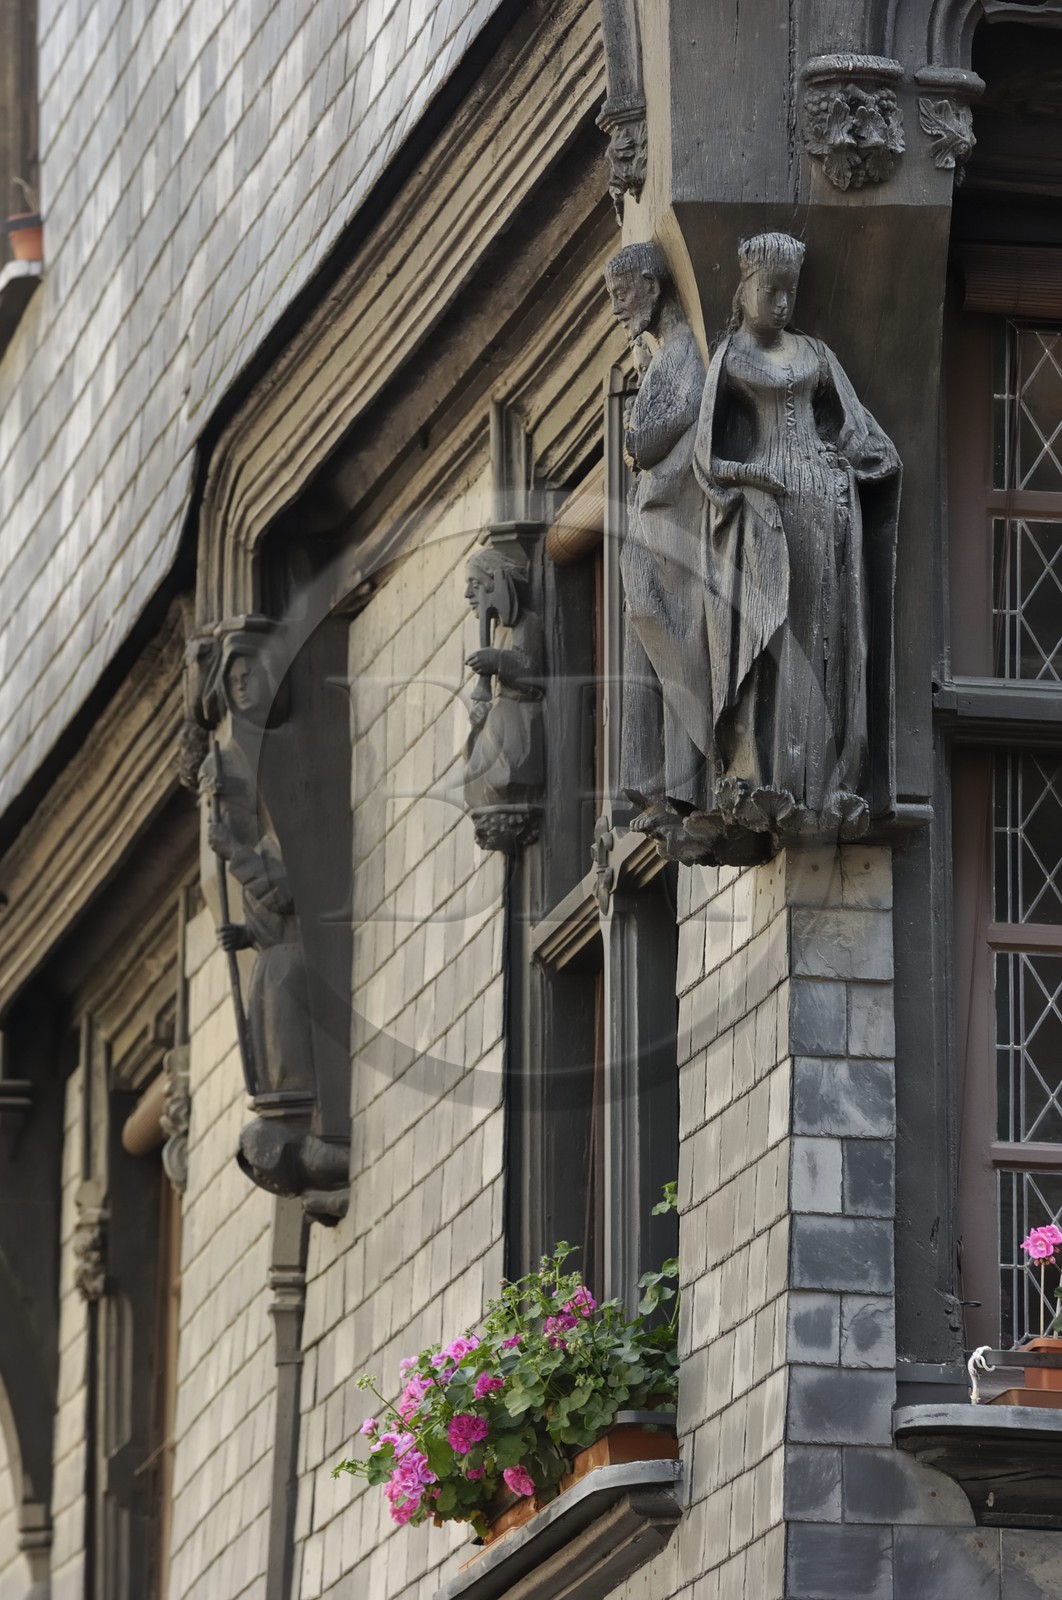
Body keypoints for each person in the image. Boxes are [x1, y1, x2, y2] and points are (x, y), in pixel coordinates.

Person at [692, 231, 900, 844]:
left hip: (829, 504)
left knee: (826, 628)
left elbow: (856, 423)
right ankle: (772, 770)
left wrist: (851, 460)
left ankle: (829, 775)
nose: (780, 303)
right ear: (746, 288)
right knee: (775, 630)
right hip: (766, 511)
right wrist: (750, 476)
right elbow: (707, 456)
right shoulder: (729, 357)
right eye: (770, 291)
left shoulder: (815, 350)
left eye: (788, 293)